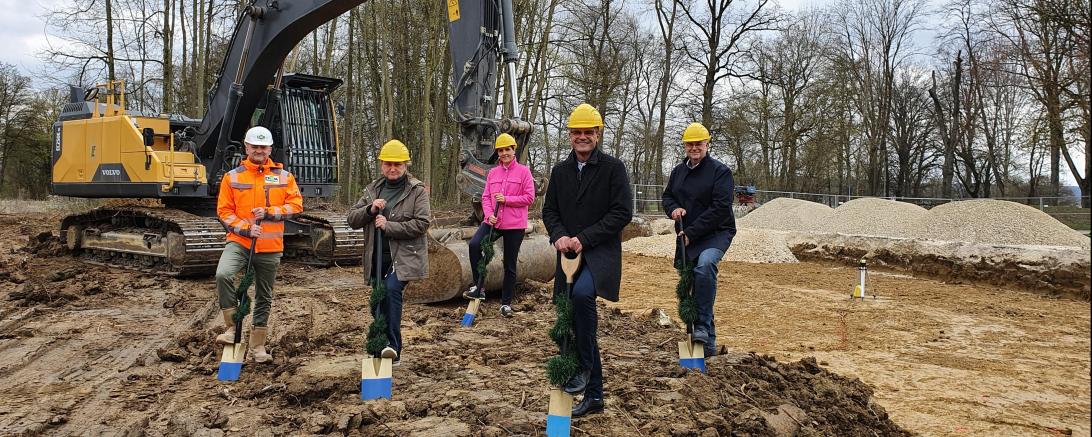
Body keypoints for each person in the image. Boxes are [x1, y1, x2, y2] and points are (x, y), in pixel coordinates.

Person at [542, 103, 633, 417]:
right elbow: (549, 211)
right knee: (576, 320)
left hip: (600, 252)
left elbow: (622, 212)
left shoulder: (613, 168)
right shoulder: (560, 171)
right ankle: (594, 396)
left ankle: (582, 367)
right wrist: (559, 235)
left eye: (588, 132)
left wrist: (585, 238)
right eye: (577, 132)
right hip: (567, 253)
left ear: (598, 134)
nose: (582, 137)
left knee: (582, 297)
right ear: (570, 135)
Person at [214, 126, 303, 363]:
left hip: (270, 245)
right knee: (223, 274)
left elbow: (296, 205)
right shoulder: (232, 177)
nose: (259, 151)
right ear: (246, 147)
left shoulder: (284, 177)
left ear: (270, 149)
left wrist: (271, 212)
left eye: (263, 147)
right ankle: (233, 329)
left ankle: (258, 346)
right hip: (241, 241)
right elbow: (224, 211)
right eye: (255, 146)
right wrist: (244, 228)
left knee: (264, 295)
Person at [347, 139, 432, 363]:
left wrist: (389, 226)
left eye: (398, 164)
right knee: (377, 300)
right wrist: (370, 209)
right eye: (388, 164)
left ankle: (393, 348)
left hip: (404, 257)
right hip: (376, 257)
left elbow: (422, 224)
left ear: (406, 165)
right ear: (382, 165)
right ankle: (380, 343)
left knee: (391, 290)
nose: (392, 169)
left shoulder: (417, 190)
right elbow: (352, 219)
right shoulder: (373, 189)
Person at [661, 122, 736, 358]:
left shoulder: (720, 172)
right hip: (686, 235)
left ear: (707, 144)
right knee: (692, 283)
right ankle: (707, 344)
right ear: (685, 145)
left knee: (704, 267)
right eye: (690, 144)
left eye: (699, 144)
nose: (694, 148)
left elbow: (720, 209)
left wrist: (692, 233)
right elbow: (668, 197)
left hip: (716, 233)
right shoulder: (678, 172)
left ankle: (702, 326)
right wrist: (673, 209)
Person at [462, 133, 536, 317]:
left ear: (514, 150)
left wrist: (507, 200)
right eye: (501, 150)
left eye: (507, 149)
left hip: (514, 224)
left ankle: (505, 304)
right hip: (493, 221)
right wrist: (488, 215)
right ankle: (479, 287)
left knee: (509, 264)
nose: (504, 153)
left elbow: (529, 197)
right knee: (474, 244)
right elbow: (486, 197)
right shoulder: (493, 173)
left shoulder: (524, 172)